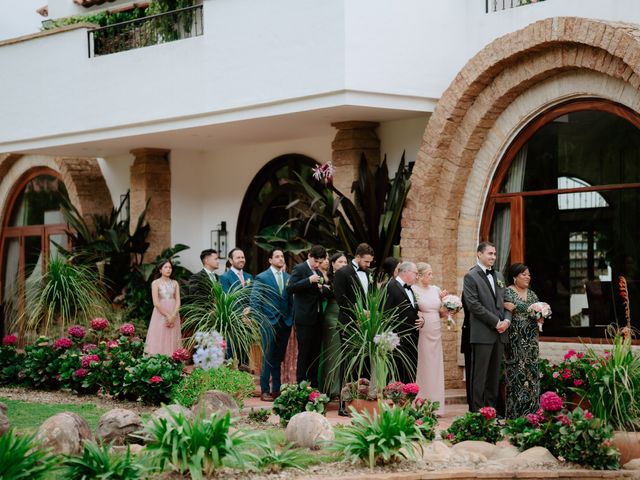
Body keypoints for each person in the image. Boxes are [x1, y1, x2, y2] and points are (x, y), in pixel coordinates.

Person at [463, 241, 511, 412]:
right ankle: (477, 413)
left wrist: (507, 321)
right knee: (479, 376)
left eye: (495, 254)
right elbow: (473, 305)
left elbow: (507, 302)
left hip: (500, 333)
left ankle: (491, 411)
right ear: (479, 254)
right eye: (490, 253)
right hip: (482, 333)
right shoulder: (471, 276)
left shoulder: (499, 276)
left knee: (493, 376)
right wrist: (495, 322)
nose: (493, 257)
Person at [251, 248, 292, 402]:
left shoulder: (289, 277)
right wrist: (259, 320)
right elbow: (255, 300)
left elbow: (291, 301)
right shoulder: (262, 277)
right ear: (270, 260)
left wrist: (291, 317)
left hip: (285, 322)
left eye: (282, 256)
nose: (280, 259)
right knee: (267, 356)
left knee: (278, 357)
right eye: (277, 256)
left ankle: (276, 389)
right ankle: (265, 390)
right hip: (268, 322)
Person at [287, 245, 330, 387]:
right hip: (304, 318)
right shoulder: (300, 268)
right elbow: (290, 288)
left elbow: (318, 292)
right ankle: (301, 384)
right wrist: (308, 281)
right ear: (309, 256)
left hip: (317, 317)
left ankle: (314, 384)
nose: (318, 265)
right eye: (316, 261)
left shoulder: (317, 271)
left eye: (320, 262)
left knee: (315, 353)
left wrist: (322, 288)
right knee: (304, 352)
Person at [503, 262, 541, 418]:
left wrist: (541, 317)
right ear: (514, 277)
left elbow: (538, 312)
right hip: (515, 340)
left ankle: (532, 413)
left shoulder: (532, 295)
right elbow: (499, 309)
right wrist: (504, 305)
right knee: (516, 375)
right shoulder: (507, 293)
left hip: (531, 340)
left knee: (531, 374)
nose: (527, 277)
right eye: (523, 274)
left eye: (529, 274)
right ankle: (515, 415)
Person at [413, 262, 446, 416]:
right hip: (423, 330)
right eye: (428, 274)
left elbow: (440, 311)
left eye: (432, 273)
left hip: (436, 330)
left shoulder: (436, 290)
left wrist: (448, 306)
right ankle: (421, 402)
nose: (431, 277)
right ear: (419, 275)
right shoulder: (413, 290)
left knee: (436, 365)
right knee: (424, 365)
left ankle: (436, 404)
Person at [384, 261, 424, 383]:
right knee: (397, 375)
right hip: (397, 340)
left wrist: (422, 320)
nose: (417, 276)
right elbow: (385, 313)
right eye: (415, 273)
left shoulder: (410, 289)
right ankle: (394, 401)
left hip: (412, 338)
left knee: (410, 373)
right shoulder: (390, 286)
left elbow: (413, 310)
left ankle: (407, 400)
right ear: (405, 272)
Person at [321, 252, 348, 400]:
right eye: (340, 262)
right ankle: (332, 390)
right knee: (333, 354)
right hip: (332, 316)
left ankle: (342, 387)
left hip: (345, 317)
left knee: (343, 355)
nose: (343, 265)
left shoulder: (349, 278)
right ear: (333, 263)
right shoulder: (328, 278)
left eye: (345, 262)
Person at [145, 259, 182, 356]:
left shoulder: (175, 283)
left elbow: (178, 300)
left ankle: (173, 359)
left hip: (174, 312)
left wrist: (173, 315)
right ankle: (159, 361)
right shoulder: (155, 283)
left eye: (170, 267)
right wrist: (167, 315)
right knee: (160, 335)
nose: (168, 269)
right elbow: (156, 303)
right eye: (165, 267)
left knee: (173, 335)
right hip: (160, 313)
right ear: (160, 270)